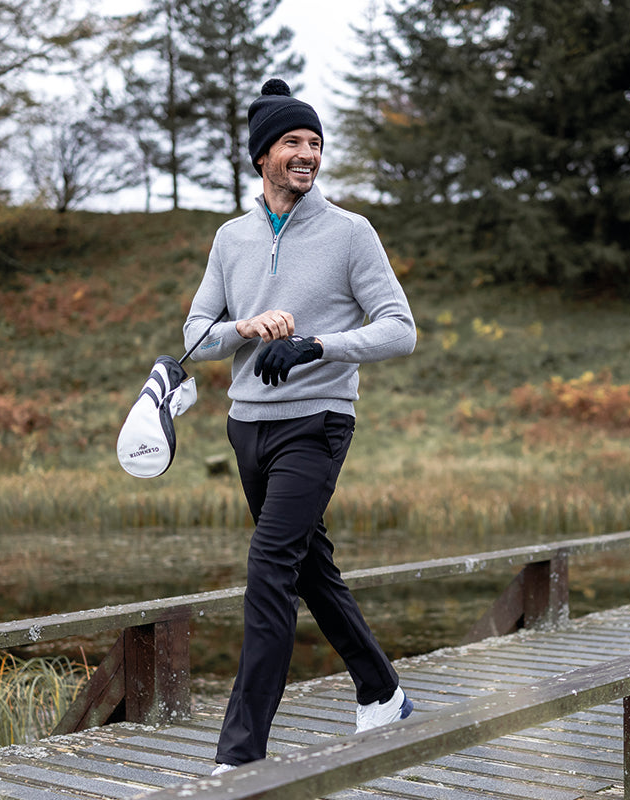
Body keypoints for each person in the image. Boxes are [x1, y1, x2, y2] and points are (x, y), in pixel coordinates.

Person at [183, 78, 417, 774]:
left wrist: (319, 344)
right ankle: (382, 690)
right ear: (263, 156)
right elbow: (196, 336)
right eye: (293, 142)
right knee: (309, 565)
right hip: (245, 428)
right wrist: (244, 326)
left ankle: (240, 755)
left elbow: (400, 331)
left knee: (269, 571)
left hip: (317, 424)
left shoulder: (350, 233)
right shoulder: (231, 239)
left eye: (316, 143)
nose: (308, 153)